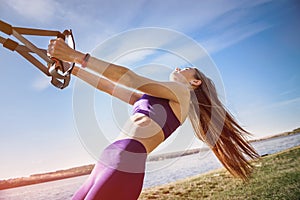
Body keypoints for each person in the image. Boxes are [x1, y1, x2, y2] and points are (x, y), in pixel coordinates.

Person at [48, 38, 259, 200]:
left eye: (186, 68)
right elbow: (109, 87)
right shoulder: (154, 99)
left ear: (195, 82)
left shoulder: (182, 93)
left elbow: (131, 79)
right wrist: (72, 69)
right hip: (107, 160)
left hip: (125, 160)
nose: (178, 68)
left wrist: (77, 56)